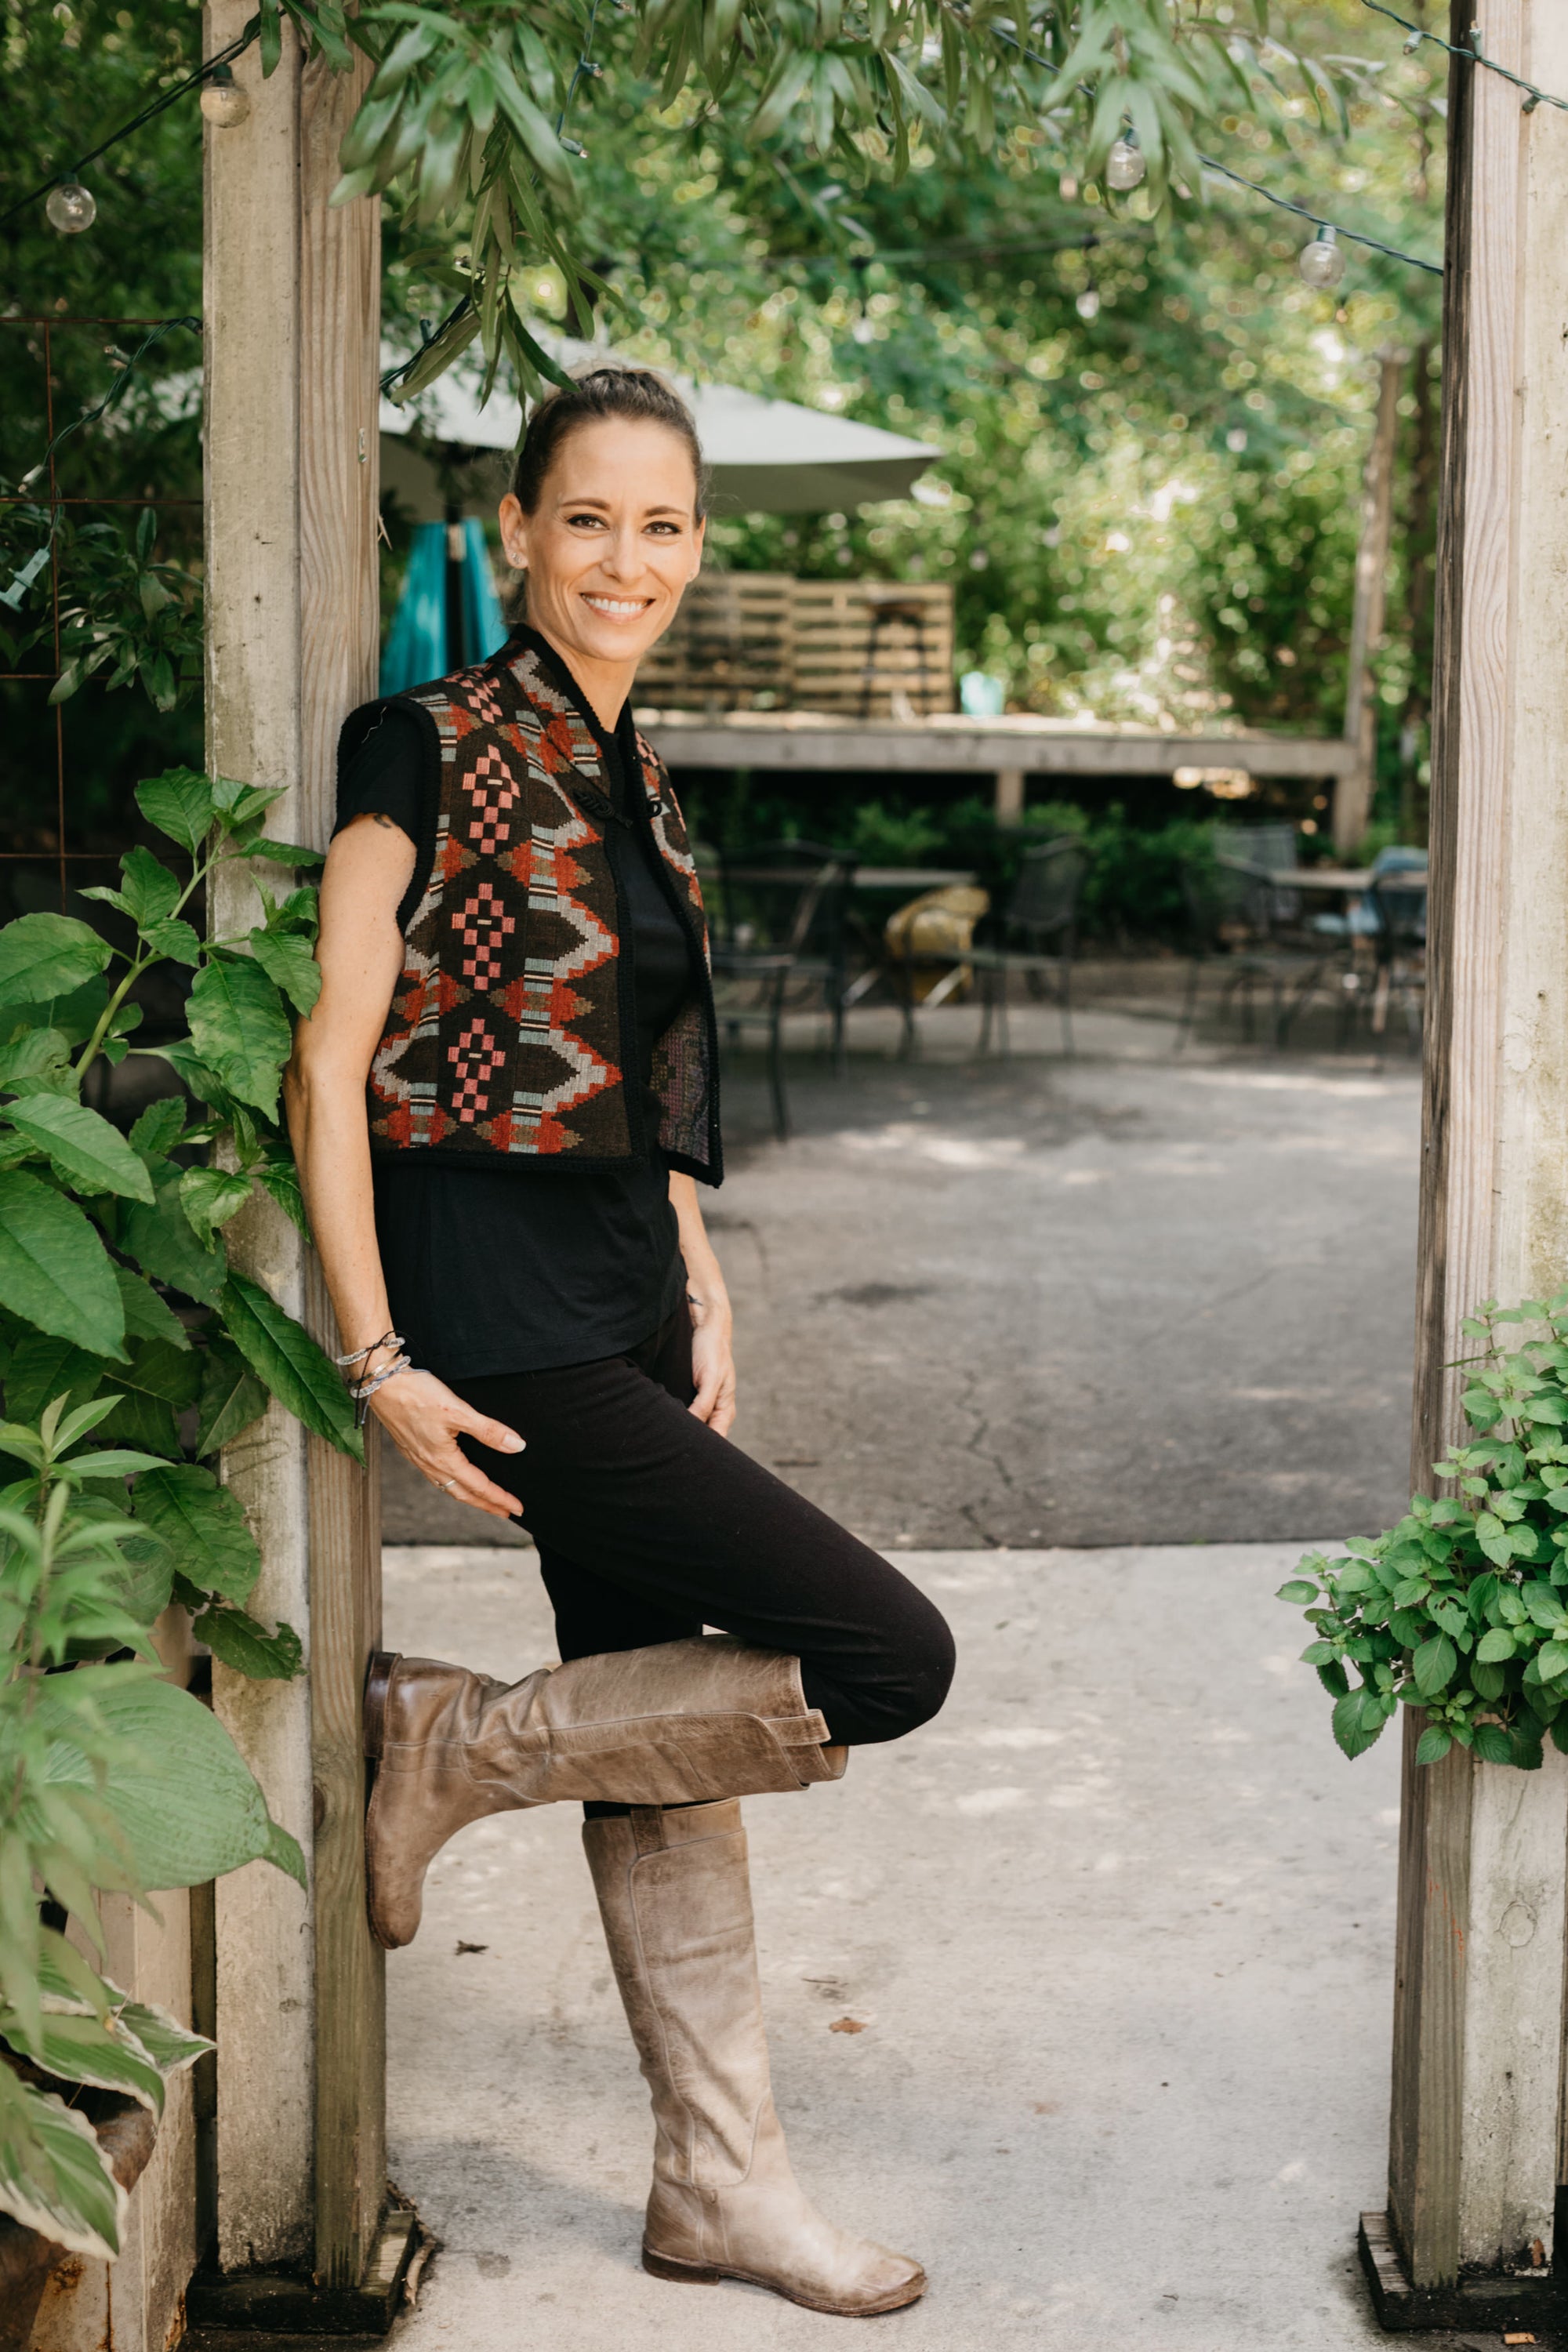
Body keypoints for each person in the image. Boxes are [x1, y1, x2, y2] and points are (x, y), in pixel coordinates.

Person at [285, 366, 955, 2318]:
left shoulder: (638, 773)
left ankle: (718, 2187)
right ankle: (458, 1744)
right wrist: (377, 1352)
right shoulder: (414, 741)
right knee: (882, 1656)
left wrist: (699, 1256)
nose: (626, 560)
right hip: (498, 1319)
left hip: (629, 1299)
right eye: (590, 519)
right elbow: (331, 1059)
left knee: (669, 1726)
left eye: (663, 525)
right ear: (518, 534)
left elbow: (636, 1070)